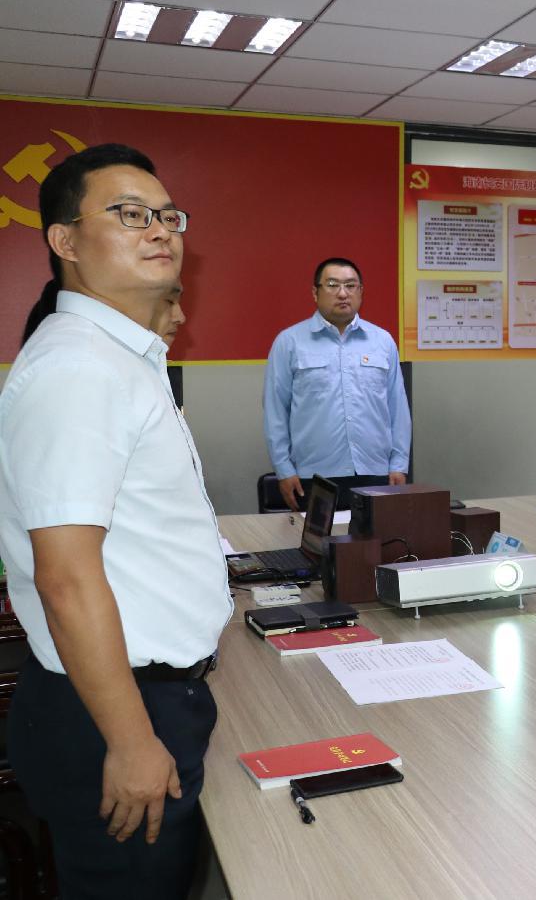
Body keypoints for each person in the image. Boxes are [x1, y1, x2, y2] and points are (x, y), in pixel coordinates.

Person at [0, 143, 230, 899]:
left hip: (137, 695)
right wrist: (132, 741)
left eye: (167, 215)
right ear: (64, 241)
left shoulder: (119, 358)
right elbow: (66, 579)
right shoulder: (79, 368)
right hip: (113, 711)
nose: (159, 229)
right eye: (129, 214)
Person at [262, 258, 411, 511]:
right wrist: (284, 469)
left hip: (376, 472)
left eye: (350, 286)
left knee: (378, 538)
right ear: (315, 292)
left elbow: (398, 409)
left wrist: (399, 464)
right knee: (317, 538)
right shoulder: (289, 342)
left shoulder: (382, 341)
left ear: (361, 292)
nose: (343, 293)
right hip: (314, 476)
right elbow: (275, 411)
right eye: (332, 285)